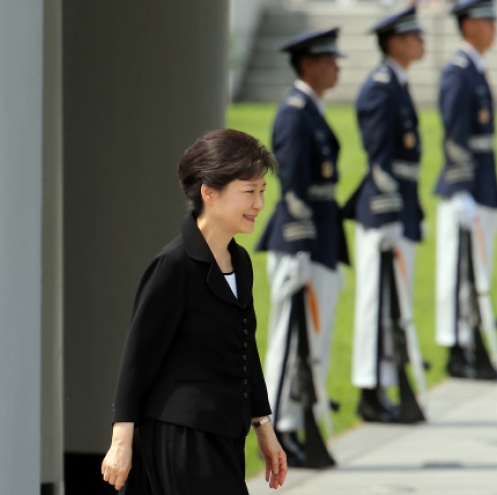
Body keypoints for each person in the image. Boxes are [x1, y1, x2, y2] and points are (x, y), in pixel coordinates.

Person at [101, 129, 287, 494]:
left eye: (262, 192)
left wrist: (263, 426)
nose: (259, 204)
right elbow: (139, 356)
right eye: (249, 192)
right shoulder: (174, 265)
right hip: (183, 436)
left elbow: (245, 349)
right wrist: (121, 442)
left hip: (225, 435)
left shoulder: (240, 261)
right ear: (209, 193)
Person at [256, 27, 349, 468]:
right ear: (309, 64)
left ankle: (296, 421)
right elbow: (291, 184)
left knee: (312, 341)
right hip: (302, 242)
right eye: (329, 59)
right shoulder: (295, 112)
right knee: (290, 343)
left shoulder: (310, 109)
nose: (336, 67)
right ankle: (279, 430)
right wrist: (300, 248)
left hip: (321, 238)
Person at [344, 6, 427, 423]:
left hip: (400, 207)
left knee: (395, 302)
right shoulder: (381, 87)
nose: (422, 40)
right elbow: (380, 159)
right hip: (383, 211)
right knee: (376, 303)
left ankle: (385, 382)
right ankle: (369, 389)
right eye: (415, 35)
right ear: (395, 42)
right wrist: (392, 212)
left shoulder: (397, 83)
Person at [433, 0, 497, 380]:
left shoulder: (475, 69)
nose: (494, 28)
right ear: (470, 25)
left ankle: (472, 339)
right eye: (488, 21)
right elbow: (454, 134)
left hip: (482, 184)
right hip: (467, 188)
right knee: (459, 272)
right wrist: (460, 187)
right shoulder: (459, 72)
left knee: (477, 270)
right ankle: (458, 348)